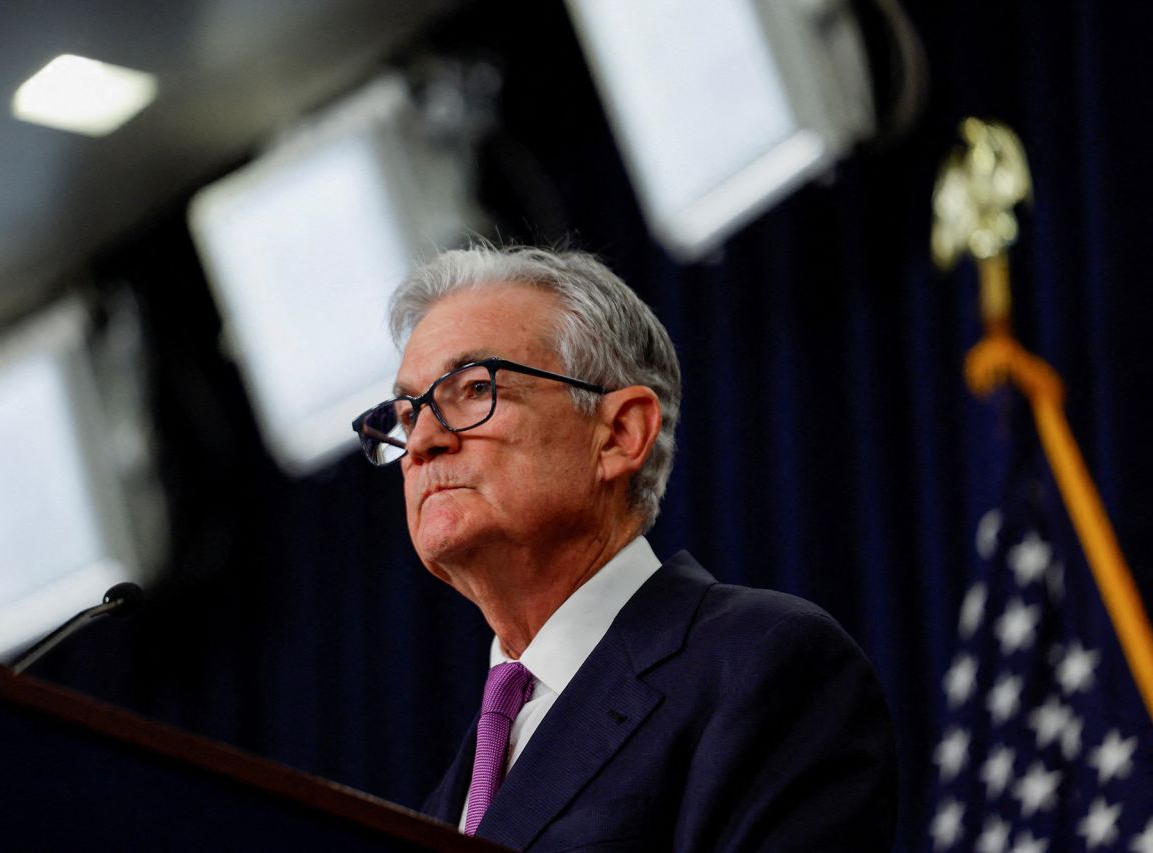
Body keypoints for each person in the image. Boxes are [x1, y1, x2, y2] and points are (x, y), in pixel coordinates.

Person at [352, 244, 897, 851]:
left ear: (620, 433)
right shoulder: (440, 806)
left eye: (475, 389)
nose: (422, 441)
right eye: (405, 414)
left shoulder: (763, 665)